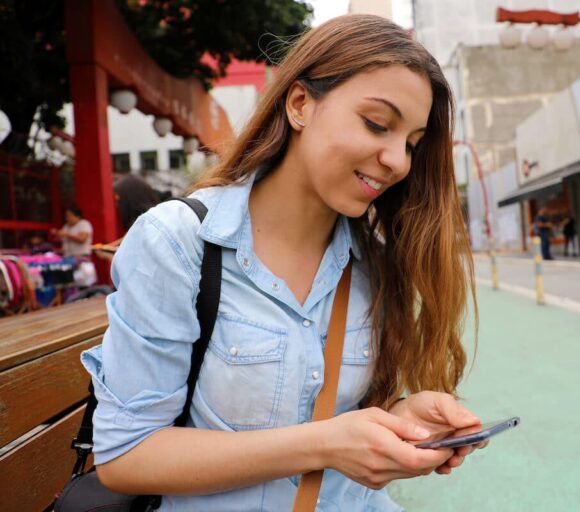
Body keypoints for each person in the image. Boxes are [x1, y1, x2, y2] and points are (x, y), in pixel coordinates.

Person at [82, 15, 482, 511]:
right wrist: (327, 443)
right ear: (299, 104)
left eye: (412, 145)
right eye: (377, 124)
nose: (398, 161)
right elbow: (126, 455)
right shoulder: (180, 243)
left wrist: (403, 418)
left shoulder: (374, 265)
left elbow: (341, 414)